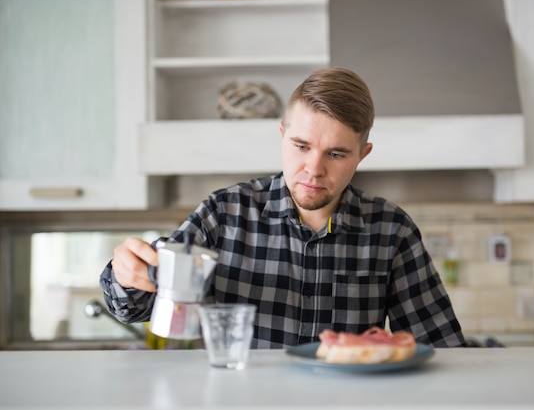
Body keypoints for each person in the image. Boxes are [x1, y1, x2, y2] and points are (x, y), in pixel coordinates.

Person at [99, 67, 465, 349]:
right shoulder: (224, 214)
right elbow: (132, 308)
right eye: (301, 146)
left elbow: (439, 346)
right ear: (282, 136)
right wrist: (126, 275)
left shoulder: (391, 231)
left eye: (336, 154)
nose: (314, 169)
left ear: (362, 155)